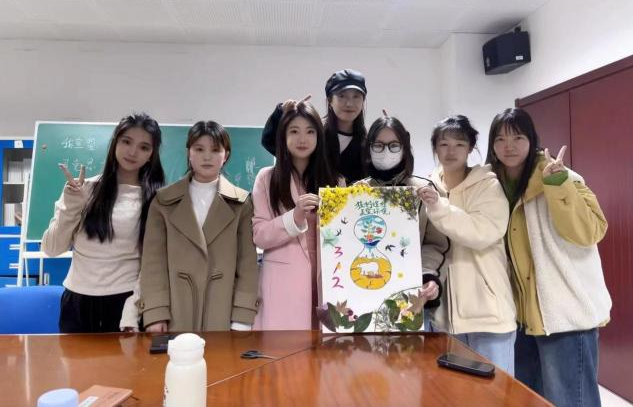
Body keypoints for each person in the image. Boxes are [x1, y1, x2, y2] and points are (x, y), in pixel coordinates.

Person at [485, 107, 611, 406]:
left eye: (518, 137)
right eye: (500, 139)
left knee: (571, 401)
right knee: (530, 399)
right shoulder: (492, 187)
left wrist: (558, 186)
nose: (509, 146)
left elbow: (590, 232)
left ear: (532, 140)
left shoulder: (560, 176)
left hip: (564, 316)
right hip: (521, 318)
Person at [42, 113, 165, 333]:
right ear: (115, 142)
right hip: (77, 301)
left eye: (144, 147)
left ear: (151, 155)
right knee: (73, 358)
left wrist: (134, 305)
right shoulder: (82, 189)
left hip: (125, 303)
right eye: (127, 141)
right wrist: (72, 204)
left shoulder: (155, 199)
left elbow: (153, 263)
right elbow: (52, 248)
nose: (133, 152)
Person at [139, 121, 259, 332]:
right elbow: (153, 262)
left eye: (215, 150)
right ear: (189, 152)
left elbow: (247, 264)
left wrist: (242, 315)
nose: (207, 156)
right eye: (199, 149)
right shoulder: (163, 201)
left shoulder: (241, 203)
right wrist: (156, 312)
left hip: (222, 309)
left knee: (220, 354)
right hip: (176, 310)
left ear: (226, 155)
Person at [419, 115, 516, 374]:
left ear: (470, 148)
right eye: (444, 144)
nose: (451, 151)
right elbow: (429, 245)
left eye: (459, 144)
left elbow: (481, 233)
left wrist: (439, 208)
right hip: (445, 318)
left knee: (497, 390)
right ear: (435, 148)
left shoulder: (488, 185)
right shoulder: (428, 188)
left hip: (488, 315)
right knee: (454, 392)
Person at [252, 101, 340, 330]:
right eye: (294, 131)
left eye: (310, 132)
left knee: (327, 348)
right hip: (284, 285)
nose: (303, 139)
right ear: (283, 136)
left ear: (319, 137)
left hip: (329, 280)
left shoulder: (335, 181)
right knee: (287, 349)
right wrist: (295, 217)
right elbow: (259, 235)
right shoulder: (267, 178)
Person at [358, 116, 446, 311]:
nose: (386, 151)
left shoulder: (423, 190)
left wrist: (428, 276)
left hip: (411, 297)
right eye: (378, 145)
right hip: (363, 296)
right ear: (369, 148)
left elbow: (435, 243)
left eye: (394, 145)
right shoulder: (355, 193)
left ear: (404, 148)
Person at [261, 69, 368, 183]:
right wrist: (282, 113)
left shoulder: (369, 143)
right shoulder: (314, 134)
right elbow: (271, 142)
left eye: (356, 96)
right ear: (330, 100)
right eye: (342, 96)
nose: (349, 103)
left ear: (363, 101)